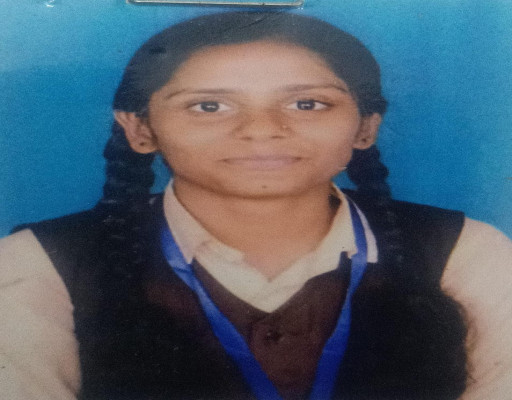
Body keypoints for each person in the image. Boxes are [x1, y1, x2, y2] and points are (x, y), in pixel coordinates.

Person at [0, 11, 511, 400]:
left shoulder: (465, 250)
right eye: (209, 106)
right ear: (139, 129)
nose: (262, 130)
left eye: (307, 103)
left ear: (365, 127)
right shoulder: (40, 262)